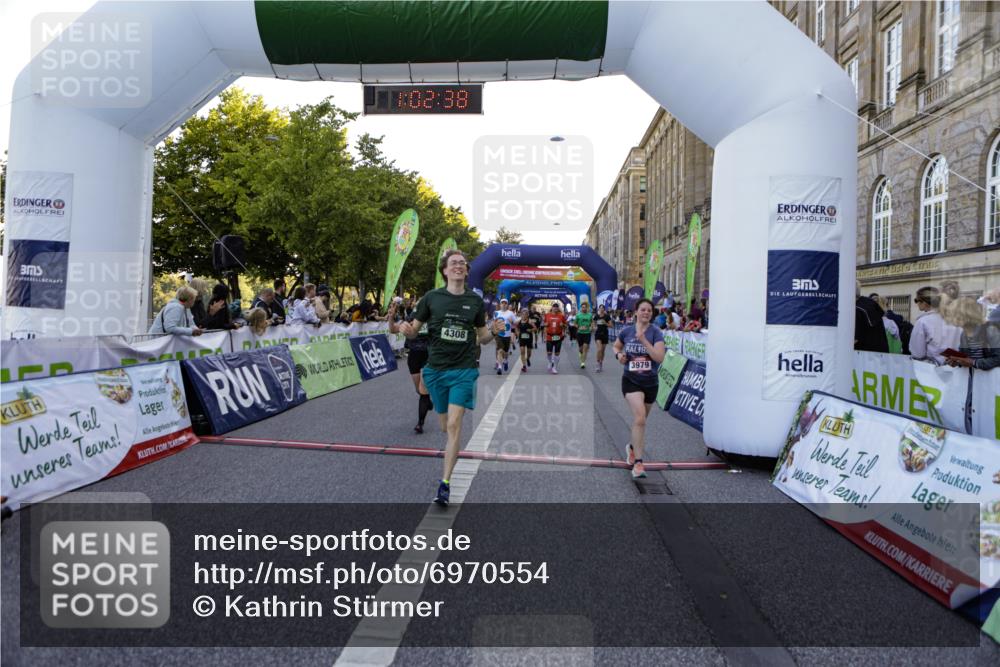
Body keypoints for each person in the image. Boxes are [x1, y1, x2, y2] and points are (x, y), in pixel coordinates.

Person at [388, 249, 504, 506]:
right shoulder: (431, 298)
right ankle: (447, 465)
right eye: (454, 263)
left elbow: (482, 338)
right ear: (445, 270)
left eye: (463, 263)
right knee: (444, 425)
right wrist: (404, 328)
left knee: (453, 425)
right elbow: (413, 332)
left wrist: (494, 332)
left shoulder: (475, 302)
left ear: (466, 271)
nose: (459, 266)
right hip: (436, 370)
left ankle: (445, 484)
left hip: (463, 370)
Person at [613, 298, 666, 479]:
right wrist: (618, 355)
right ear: (636, 312)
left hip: (651, 382)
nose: (646, 313)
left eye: (649, 311)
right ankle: (638, 464)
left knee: (640, 423)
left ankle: (632, 447)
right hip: (631, 381)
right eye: (643, 310)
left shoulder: (656, 333)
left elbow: (659, 358)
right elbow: (616, 346)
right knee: (640, 418)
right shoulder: (626, 331)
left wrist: (644, 340)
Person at [402, 296, 434, 434]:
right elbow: (397, 328)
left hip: (429, 355)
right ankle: (427, 401)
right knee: (419, 390)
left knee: (423, 389)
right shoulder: (411, 316)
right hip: (414, 354)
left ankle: (420, 423)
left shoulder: (434, 317)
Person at [943, 296, 1000, 371]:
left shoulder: (990, 329)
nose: (951, 318)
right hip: (978, 380)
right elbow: (966, 359)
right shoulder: (964, 334)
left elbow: (998, 359)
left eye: (954, 315)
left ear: (967, 314)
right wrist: (956, 361)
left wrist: (974, 363)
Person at [910, 286, 961, 365]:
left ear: (924, 302)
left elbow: (918, 353)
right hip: (957, 369)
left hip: (932, 370)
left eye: (916, 300)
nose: (916, 303)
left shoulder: (922, 322)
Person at [854, 286, 888, 352]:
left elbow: (855, 339)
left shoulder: (857, 309)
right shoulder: (869, 302)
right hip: (881, 352)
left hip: (865, 354)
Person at [493, 298, 517, 375]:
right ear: (500, 304)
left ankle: (506, 360)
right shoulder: (496, 313)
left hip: (507, 335)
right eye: (502, 303)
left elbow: (515, 323)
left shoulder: (510, 313)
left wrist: (512, 322)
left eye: (505, 303)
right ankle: (500, 367)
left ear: (507, 305)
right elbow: (494, 323)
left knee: (505, 352)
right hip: (499, 334)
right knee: (500, 350)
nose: (504, 304)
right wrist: (494, 331)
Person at [543, 301, 568, 374]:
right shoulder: (547, 315)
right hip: (549, 336)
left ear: (558, 308)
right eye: (554, 307)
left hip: (558, 336)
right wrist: (545, 334)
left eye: (556, 307)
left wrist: (562, 325)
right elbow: (544, 325)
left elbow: (566, 325)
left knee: (557, 353)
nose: (555, 308)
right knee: (549, 353)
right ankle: (550, 362)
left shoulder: (561, 316)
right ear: (552, 308)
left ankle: (554, 367)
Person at [593, 304, 613, 372]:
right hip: (598, 334)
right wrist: (594, 327)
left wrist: (605, 323)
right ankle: (597, 363)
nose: (601, 309)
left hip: (605, 334)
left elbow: (611, 325)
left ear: (604, 309)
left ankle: (601, 363)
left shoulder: (607, 316)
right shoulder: (596, 316)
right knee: (599, 349)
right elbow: (593, 323)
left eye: (602, 308)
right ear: (599, 309)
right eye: (600, 308)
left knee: (603, 351)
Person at [575, 300, 593, 369]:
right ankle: (581, 357)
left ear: (587, 308)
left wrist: (591, 327)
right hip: (580, 333)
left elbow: (592, 323)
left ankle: (583, 362)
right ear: (581, 308)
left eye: (585, 307)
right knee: (581, 349)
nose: (584, 308)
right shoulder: (578, 315)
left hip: (587, 333)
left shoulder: (590, 315)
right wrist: (579, 327)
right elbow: (575, 324)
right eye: (583, 307)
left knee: (585, 348)